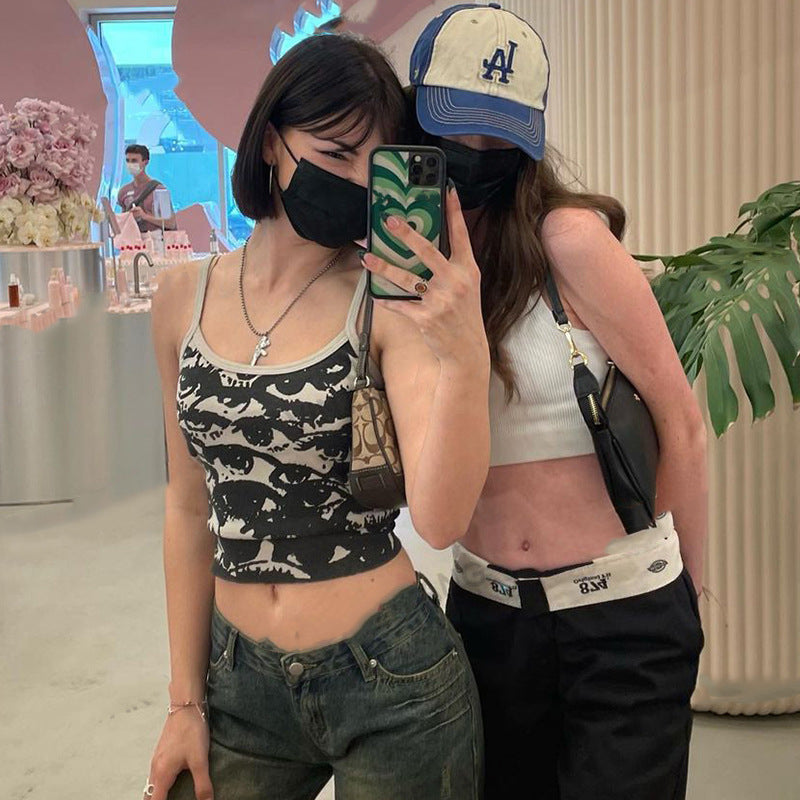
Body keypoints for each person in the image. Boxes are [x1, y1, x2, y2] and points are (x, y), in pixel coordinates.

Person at [144, 33, 489, 800]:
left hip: (391, 678)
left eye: (378, 166)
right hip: (237, 682)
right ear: (272, 143)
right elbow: (186, 506)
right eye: (335, 154)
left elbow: (441, 520)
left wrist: (465, 351)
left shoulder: (389, 306)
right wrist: (184, 702)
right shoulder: (180, 299)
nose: (356, 183)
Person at [408, 4, 707, 799]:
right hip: (486, 617)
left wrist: (690, 603)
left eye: (500, 135)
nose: (478, 152)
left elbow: (681, 420)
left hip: (622, 622)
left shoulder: (565, 238)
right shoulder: (404, 265)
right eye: (458, 126)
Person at [117, 144, 176, 232]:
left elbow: (170, 223)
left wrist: (145, 216)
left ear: (145, 162)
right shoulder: (123, 192)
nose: (130, 164)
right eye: (128, 160)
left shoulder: (159, 190)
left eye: (134, 161)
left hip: (155, 237)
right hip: (132, 238)